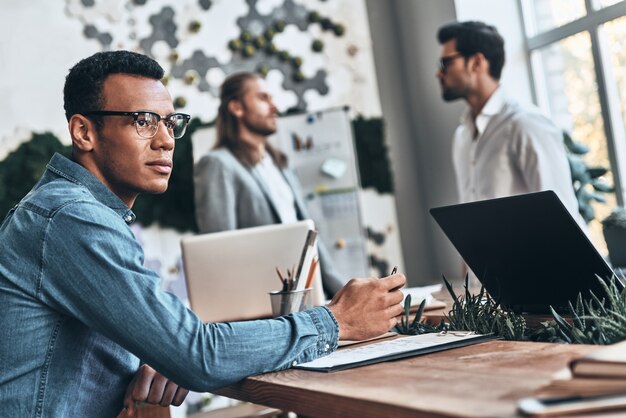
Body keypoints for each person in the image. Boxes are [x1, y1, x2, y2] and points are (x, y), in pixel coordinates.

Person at [0, 50, 406, 418]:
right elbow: (199, 354)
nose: (165, 141)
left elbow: (177, 349)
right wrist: (335, 321)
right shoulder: (71, 218)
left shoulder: (76, 212)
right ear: (84, 133)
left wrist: (163, 353)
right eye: (143, 121)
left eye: (170, 122)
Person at [194, 72, 345, 296]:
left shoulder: (281, 165)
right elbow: (221, 254)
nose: (274, 107)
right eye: (263, 98)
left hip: (310, 295)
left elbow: (309, 236)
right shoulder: (217, 164)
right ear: (236, 107)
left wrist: (344, 290)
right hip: (263, 304)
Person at [436, 21, 585, 227]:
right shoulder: (462, 137)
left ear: (477, 63)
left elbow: (563, 221)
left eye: (445, 63)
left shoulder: (525, 124)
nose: (438, 73)